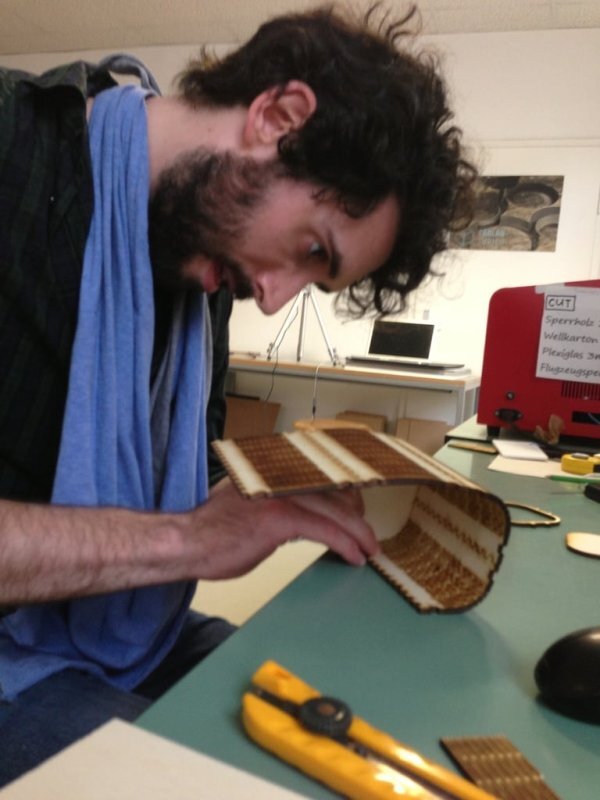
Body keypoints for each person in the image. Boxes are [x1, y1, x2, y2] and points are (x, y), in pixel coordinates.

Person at [0, 2, 477, 785]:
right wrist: (188, 540)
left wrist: (264, 493)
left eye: (315, 279)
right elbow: (176, 532)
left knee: (367, 723)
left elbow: (177, 488)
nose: (275, 297)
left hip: (110, 630)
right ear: (277, 117)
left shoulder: (202, 272)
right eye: (310, 248)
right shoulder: (12, 159)